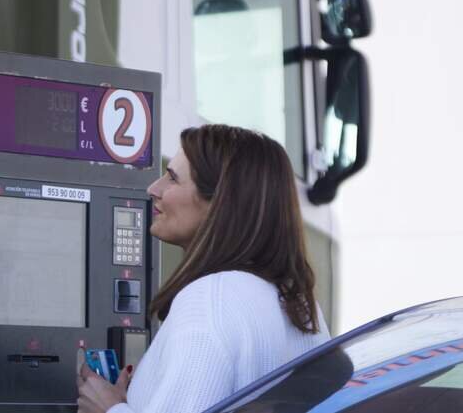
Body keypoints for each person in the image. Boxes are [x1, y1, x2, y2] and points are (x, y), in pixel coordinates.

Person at [77, 124, 331, 413]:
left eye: (172, 178)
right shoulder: (302, 307)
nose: (153, 189)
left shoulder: (211, 298)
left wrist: (108, 409)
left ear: (221, 203)